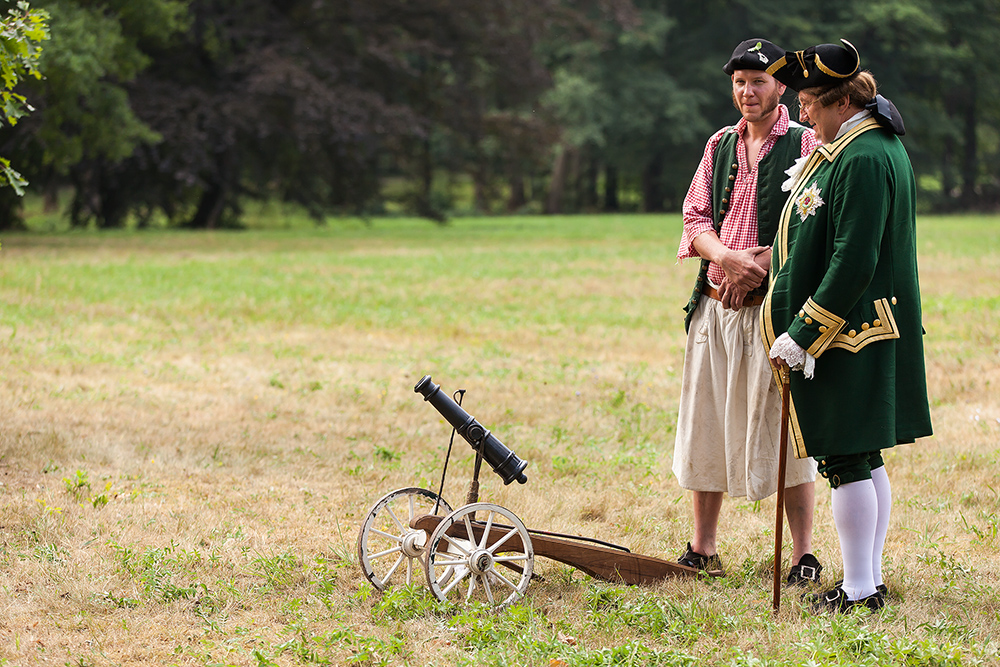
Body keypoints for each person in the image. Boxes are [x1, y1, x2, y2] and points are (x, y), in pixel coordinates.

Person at [763, 39, 933, 612]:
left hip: (848, 330)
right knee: (860, 455)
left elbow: (853, 259)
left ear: (839, 102)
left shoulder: (862, 156)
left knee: (844, 456)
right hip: (858, 326)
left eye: (809, 101)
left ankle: (861, 589)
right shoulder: (859, 145)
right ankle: (868, 578)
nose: (802, 113)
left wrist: (804, 334)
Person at [673, 38, 823, 584]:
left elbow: (815, 225)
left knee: (785, 433)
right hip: (714, 309)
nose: (747, 91)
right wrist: (727, 259)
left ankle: (804, 554)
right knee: (705, 425)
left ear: (781, 86)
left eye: (758, 81)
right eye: (739, 81)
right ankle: (703, 547)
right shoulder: (717, 144)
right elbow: (694, 220)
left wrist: (760, 262)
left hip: (774, 313)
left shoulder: (808, 143)